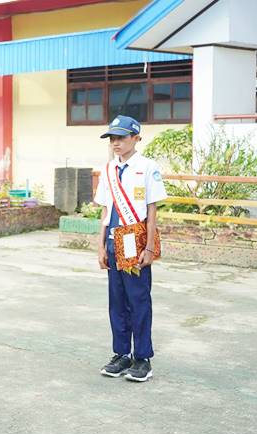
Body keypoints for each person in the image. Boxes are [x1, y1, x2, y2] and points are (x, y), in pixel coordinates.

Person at [94, 115, 167, 383]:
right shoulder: (108, 170)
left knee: (138, 301)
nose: (116, 143)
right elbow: (105, 211)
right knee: (117, 302)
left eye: (122, 137)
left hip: (135, 243)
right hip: (114, 242)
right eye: (112, 138)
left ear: (136, 138)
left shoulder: (147, 167)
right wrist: (100, 246)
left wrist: (149, 247)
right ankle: (121, 354)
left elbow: (152, 210)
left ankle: (142, 359)